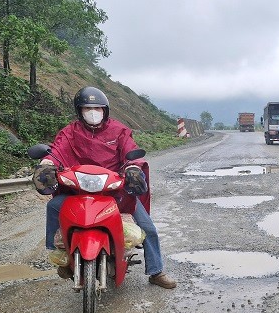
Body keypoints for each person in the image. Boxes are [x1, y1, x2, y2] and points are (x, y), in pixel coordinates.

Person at [33, 86, 176, 289]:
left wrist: (133, 167)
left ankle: (156, 271)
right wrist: (47, 164)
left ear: (105, 110)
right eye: (87, 109)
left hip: (115, 191)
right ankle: (62, 253)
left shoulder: (119, 131)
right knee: (54, 206)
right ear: (79, 111)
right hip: (78, 190)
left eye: (98, 109)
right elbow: (57, 151)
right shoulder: (70, 132)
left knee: (148, 228)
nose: (93, 113)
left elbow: (131, 150)